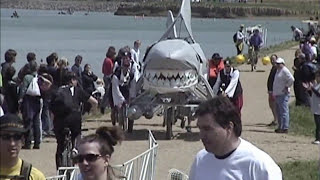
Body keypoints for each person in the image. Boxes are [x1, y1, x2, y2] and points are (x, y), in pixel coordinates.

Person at [189, 96, 282, 180]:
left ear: (229, 127)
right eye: (200, 128)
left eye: (207, 129)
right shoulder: (200, 160)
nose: (201, 135)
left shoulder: (259, 165)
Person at [50, 72, 98, 169]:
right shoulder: (77, 90)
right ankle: (75, 149)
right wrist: (93, 111)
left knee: (60, 145)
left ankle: (59, 169)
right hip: (74, 119)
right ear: (72, 80)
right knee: (77, 134)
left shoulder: (57, 91)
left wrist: (53, 125)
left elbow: (52, 110)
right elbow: (94, 102)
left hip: (60, 121)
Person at [0, 113, 46, 180]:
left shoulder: (35, 176)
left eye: (17, 137)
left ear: (23, 141)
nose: (12, 143)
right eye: (6, 137)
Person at [19, 61, 42, 149]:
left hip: (28, 101)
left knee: (28, 122)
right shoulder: (39, 77)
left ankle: (27, 142)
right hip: (37, 100)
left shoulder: (27, 77)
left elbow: (23, 89)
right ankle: (37, 143)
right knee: (36, 122)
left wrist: (20, 99)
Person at [110, 52, 135, 132]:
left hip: (126, 89)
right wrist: (120, 101)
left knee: (131, 108)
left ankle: (130, 127)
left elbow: (133, 86)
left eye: (127, 67)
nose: (126, 69)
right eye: (124, 67)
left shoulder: (131, 74)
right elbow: (115, 89)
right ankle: (117, 126)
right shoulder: (116, 75)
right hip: (116, 90)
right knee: (116, 108)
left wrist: (131, 97)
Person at [273, 58, 294, 133]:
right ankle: (280, 126)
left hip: (283, 94)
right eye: (277, 64)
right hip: (278, 94)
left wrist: (287, 86)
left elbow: (291, 79)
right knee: (278, 111)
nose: (277, 65)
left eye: (279, 64)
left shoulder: (285, 70)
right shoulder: (278, 71)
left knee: (284, 111)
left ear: (283, 63)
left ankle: (285, 127)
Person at [100, 46, 116, 114]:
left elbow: (103, 70)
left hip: (106, 76)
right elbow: (111, 70)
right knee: (108, 92)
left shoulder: (106, 59)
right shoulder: (108, 61)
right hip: (108, 77)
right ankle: (104, 106)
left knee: (108, 92)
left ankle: (105, 105)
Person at [266, 54, 278, 126]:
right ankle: (275, 118)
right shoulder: (273, 67)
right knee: (271, 105)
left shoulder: (276, 68)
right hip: (271, 90)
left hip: (274, 90)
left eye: (273, 59)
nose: (272, 61)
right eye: (271, 60)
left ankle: (276, 120)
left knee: (273, 105)